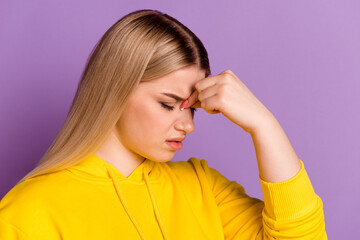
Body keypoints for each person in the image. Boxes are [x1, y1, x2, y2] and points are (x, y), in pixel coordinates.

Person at [0, 9, 327, 239]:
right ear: (113, 91)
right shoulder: (29, 211)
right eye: (168, 104)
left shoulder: (204, 188)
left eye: (193, 108)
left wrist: (264, 126)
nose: (188, 125)